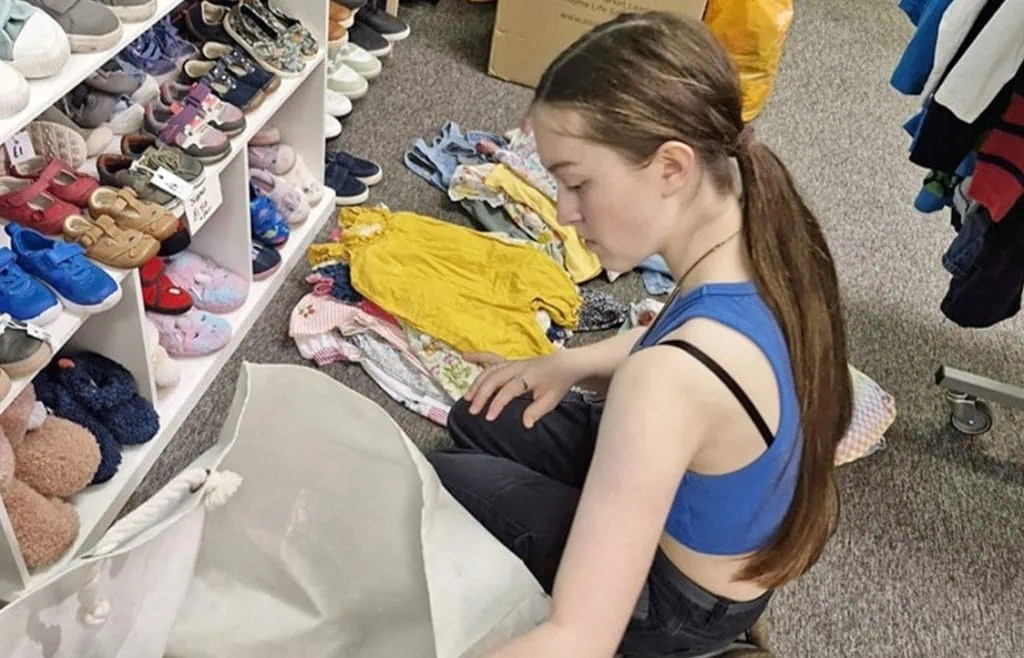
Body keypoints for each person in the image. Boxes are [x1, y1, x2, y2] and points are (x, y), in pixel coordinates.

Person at [426, 11, 853, 658]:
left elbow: (577, 641)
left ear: (672, 167)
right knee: (484, 411)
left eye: (577, 183)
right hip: (718, 540)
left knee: (429, 483)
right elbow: (679, 343)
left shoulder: (667, 382)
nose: (564, 213)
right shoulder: (755, 229)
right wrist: (567, 364)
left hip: (676, 609)